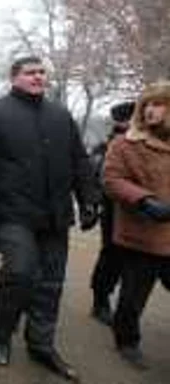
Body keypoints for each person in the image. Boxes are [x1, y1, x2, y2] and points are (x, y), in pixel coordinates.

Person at [0, 56, 98, 381]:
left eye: (42, 72)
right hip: (13, 213)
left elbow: (79, 161)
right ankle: (2, 334)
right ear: (14, 78)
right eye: (31, 73)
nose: (38, 77)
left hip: (55, 214)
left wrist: (90, 201)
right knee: (20, 273)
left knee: (51, 283)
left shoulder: (61, 115)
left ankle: (40, 344)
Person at [103, 81, 170, 370]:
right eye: (147, 105)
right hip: (141, 234)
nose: (150, 111)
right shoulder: (125, 143)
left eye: (158, 104)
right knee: (133, 295)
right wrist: (143, 200)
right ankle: (127, 340)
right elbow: (111, 179)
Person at [89, 100, 135, 325]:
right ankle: (100, 300)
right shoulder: (109, 146)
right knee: (112, 256)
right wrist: (93, 205)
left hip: (143, 214)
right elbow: (99, 179)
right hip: (115, 210)